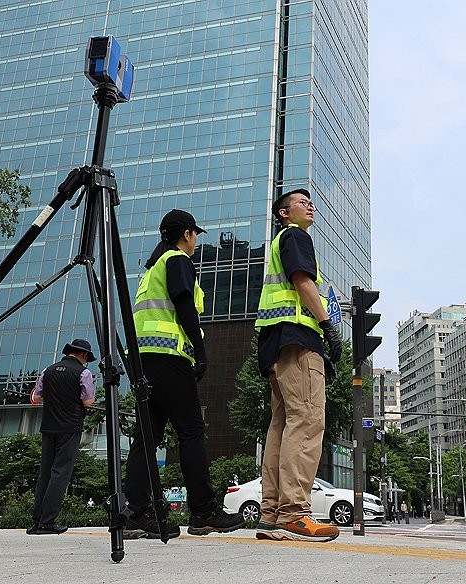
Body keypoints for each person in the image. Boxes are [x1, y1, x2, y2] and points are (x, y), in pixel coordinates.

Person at [121, 209, 242, 539]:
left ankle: (135, 513)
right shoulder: (177, 260)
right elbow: (184, 303)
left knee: (148, 436)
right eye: (196, 234)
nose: (196, 240)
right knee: (190, 430)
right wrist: (200, 350)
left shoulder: (151, 270)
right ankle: (203, 511)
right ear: (187, 234)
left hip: (144, 360)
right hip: (169, 358)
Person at [253, 189, 342, 543]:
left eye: (311, 202)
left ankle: (272, 514)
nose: (310, 205)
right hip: (298, 339)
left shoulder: (281, 241)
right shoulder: (295, 236)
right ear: (283, 213)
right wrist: (327, 326)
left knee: (283, 424)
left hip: (276, 341)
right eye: (301, 202)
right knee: (307, 420)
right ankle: (294, 513)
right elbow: (303, 282)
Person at [27, 339, 97, 535]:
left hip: (48, 426)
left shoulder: (47, 371)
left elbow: (37, 397)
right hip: (70, 427)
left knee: (45, 473)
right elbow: (88, 402)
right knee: (60, 473)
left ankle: (36, 521)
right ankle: (48, 522)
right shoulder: (83, 373)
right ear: (83, 355)